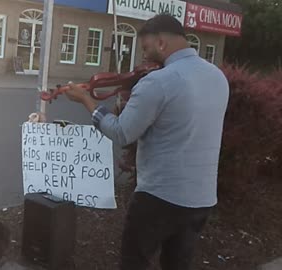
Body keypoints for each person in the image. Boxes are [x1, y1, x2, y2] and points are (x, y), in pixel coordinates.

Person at [65, 14, 230, 270]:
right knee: (177, 264)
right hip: (201, 197)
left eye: (145, 48)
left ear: (161, 43)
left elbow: (122, 133)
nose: (144, 58)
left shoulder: (158, 81)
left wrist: (88, 101)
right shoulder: (217, 77)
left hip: (160, 196)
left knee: (135, 262)